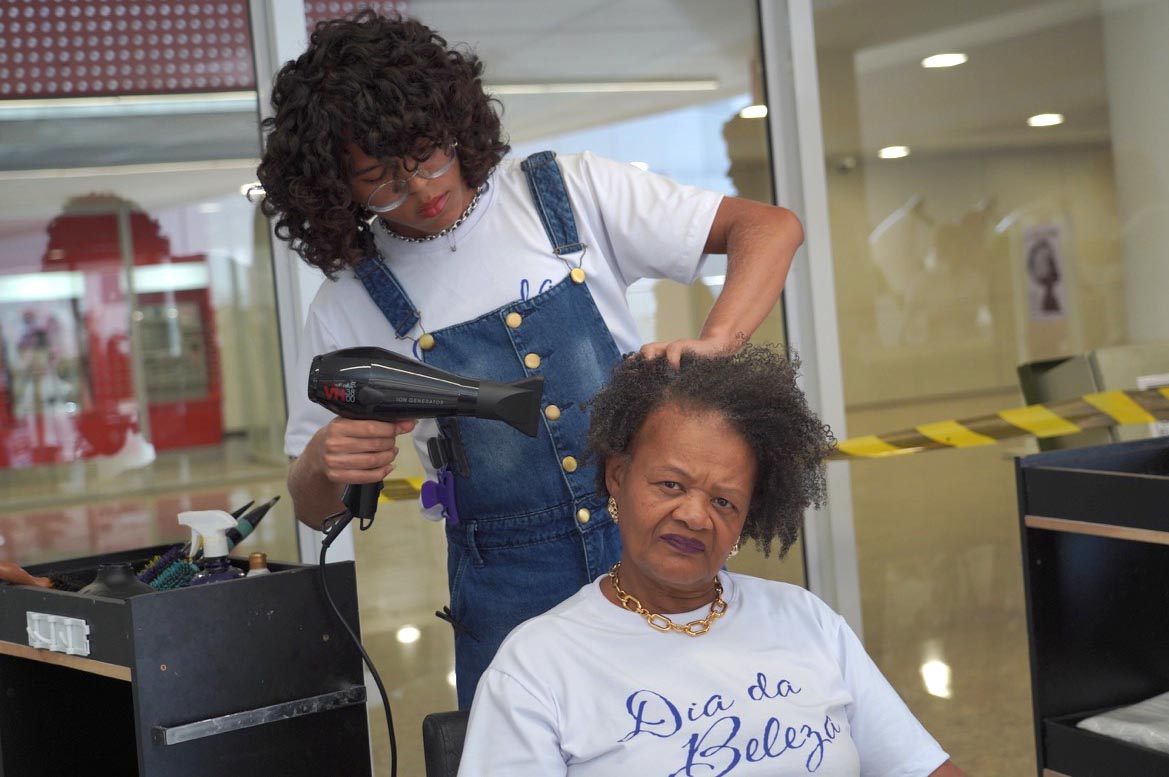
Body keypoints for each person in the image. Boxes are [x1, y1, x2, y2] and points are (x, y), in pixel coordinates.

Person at [256, 10, 805, 709]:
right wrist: (325, 463)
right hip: (506, 590)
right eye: (381, 180)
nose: (421, 190)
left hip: (647, 548)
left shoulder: (565, 195)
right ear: (336, 188)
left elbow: (769, 227)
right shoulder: (349, 305)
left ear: (453, 121)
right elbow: (311, 506)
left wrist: (720, 340)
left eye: (427, 155)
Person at [459, 346, 966, 777]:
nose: (695, 516)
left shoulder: (805, 620)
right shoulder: (538, 664)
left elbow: (920, 768)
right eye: (671, 485)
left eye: (724, 501)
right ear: (617, 477)